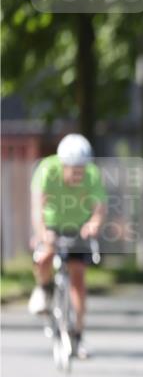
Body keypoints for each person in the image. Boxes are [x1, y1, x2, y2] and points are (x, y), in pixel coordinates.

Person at [28, 134, 106, 359]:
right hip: (52, 223)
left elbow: (100, 207)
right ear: (62, 164)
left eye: (81, 169)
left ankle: (78, 334)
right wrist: (42, 233)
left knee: (78, 279)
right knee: (43, 258)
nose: (78, 174)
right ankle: (44, 289)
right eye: (73, 169)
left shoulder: (92, 174)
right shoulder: (47, 170)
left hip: (78, 225)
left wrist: (93, 224)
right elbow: (37, 206)